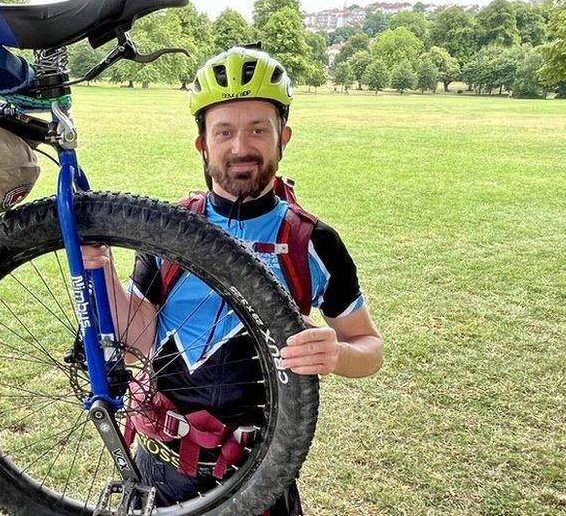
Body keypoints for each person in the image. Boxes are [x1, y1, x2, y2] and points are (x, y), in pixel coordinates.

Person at [81, 46, 383, 515]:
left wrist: (338, 353)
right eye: (224, 132)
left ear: (284, 137)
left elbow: (370, 348)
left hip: (259, 478)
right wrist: (101, 272)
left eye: (258, 129)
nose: (241, 147)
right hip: (157, 469)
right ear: (203, 144)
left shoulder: (311, 241)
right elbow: (140, 340)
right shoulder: (169, 230)